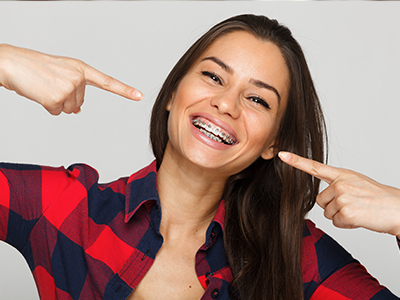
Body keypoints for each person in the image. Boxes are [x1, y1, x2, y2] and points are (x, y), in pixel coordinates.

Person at [0, 14, 399, 300]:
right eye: (213, 76)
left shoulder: (298, 257)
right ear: (173, 93)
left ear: (271, 144)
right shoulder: (67, 208)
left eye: (257, 99)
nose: (226, 103)